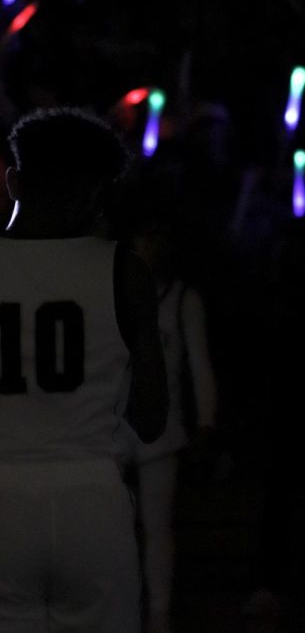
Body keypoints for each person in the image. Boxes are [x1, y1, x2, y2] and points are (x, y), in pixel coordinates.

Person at [0, 106, 169, 632]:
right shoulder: (124, 272)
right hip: (94, 499)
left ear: (14, 181)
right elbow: (152, 417)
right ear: (96, 192)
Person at [126, 217, 218, 633]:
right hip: (118, 429)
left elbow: (200, 365)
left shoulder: (182, 300)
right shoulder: (121, 295)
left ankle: (159, 613)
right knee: (124, 528)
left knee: (157, 525)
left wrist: (206, 423)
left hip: (163, 429)